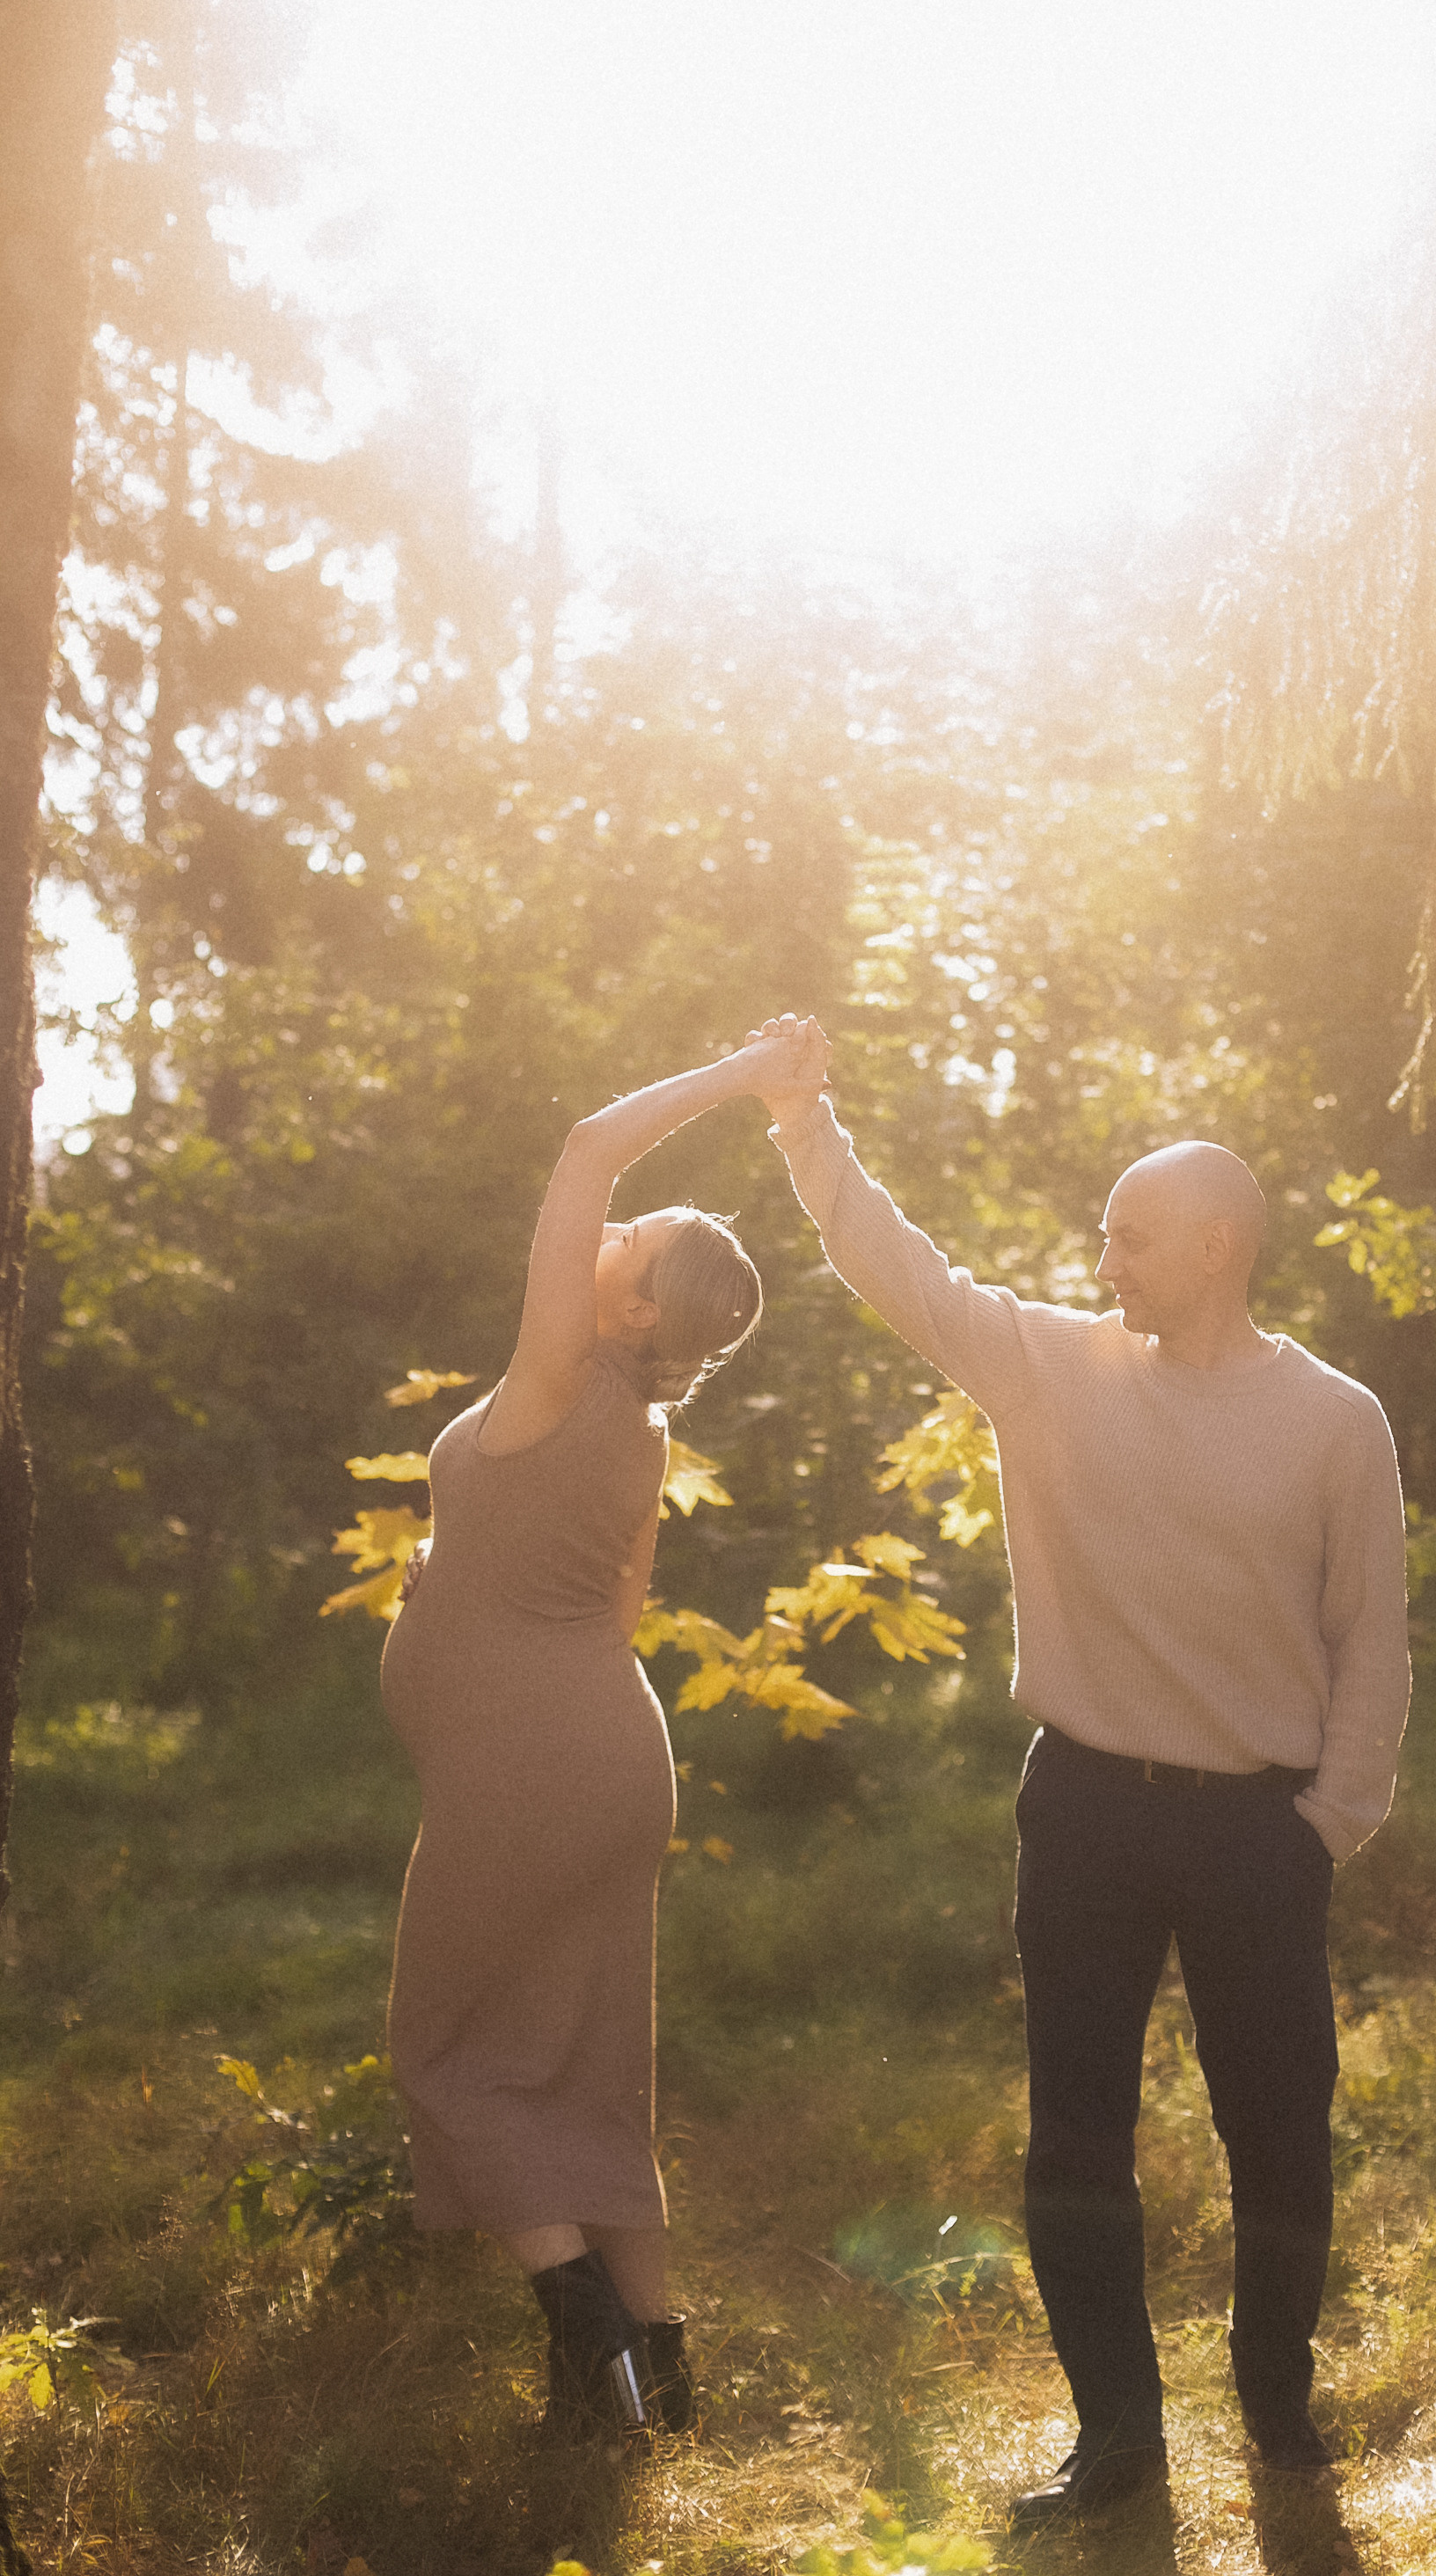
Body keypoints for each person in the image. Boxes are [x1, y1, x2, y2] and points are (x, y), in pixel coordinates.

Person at [749, 1015, 1410, 2525]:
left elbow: (1372, 1636)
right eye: (1103, 1233)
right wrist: (802, 1124)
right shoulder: (1048, 1367)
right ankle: (1116, 2438)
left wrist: (1330, 1822)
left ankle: (1275, 2408)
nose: (1102, 1257)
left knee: (1280, 2121)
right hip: (1088, 1810)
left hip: (1262, 1829)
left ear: (1218, 1245)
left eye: (1130, 1235)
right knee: (1076, 2132)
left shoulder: (1334, 1421)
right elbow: (894, 1264)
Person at [380, 1028, 819, 2441]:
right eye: (625, 1224)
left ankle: (589, 2340)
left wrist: (744, 1069)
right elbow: (614, 1609)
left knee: (442, 2050)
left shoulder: (559, 1373)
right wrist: (460, 1593)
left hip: (530, 1771)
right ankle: (670, 2377)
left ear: (632, 1313)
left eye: (633, 1239)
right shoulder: (638, 1425)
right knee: (586, 2062)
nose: (606, 1225)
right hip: (609, 1760)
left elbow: (584, 1150)